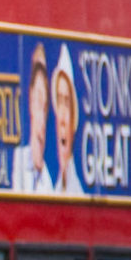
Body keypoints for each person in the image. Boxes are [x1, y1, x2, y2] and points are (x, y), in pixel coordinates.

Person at [12, 45, 54, 196]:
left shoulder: (49, 180)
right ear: (30, 100)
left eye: (45, 105)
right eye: (37, 100)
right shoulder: (17, 159)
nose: (41, 115)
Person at [51, 45, 86, 198]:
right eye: (59, 101)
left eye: (67, 102)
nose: (63, 120)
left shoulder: (77, 192)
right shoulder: (51, 187)